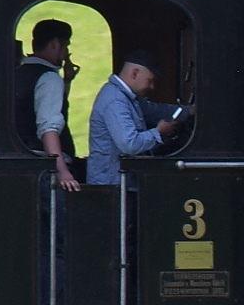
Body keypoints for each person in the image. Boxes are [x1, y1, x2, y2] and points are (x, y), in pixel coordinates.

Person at [87, 50, 192, 185]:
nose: (152, 87)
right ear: (134, 73)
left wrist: (188, 111)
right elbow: (130, 144)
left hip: (121, 182)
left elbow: (154, 111)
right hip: (113, 184)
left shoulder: (127, 98)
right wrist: (158, 132)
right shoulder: (115, 101)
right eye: (150, 81)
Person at [15, 18, 81, 192]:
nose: (66, 54)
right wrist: (62, 171)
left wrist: (67, 81)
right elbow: (48, 127)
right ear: (55, 44)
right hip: (45, 170)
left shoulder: (17, 74)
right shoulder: (50, 79)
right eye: (66, 46)